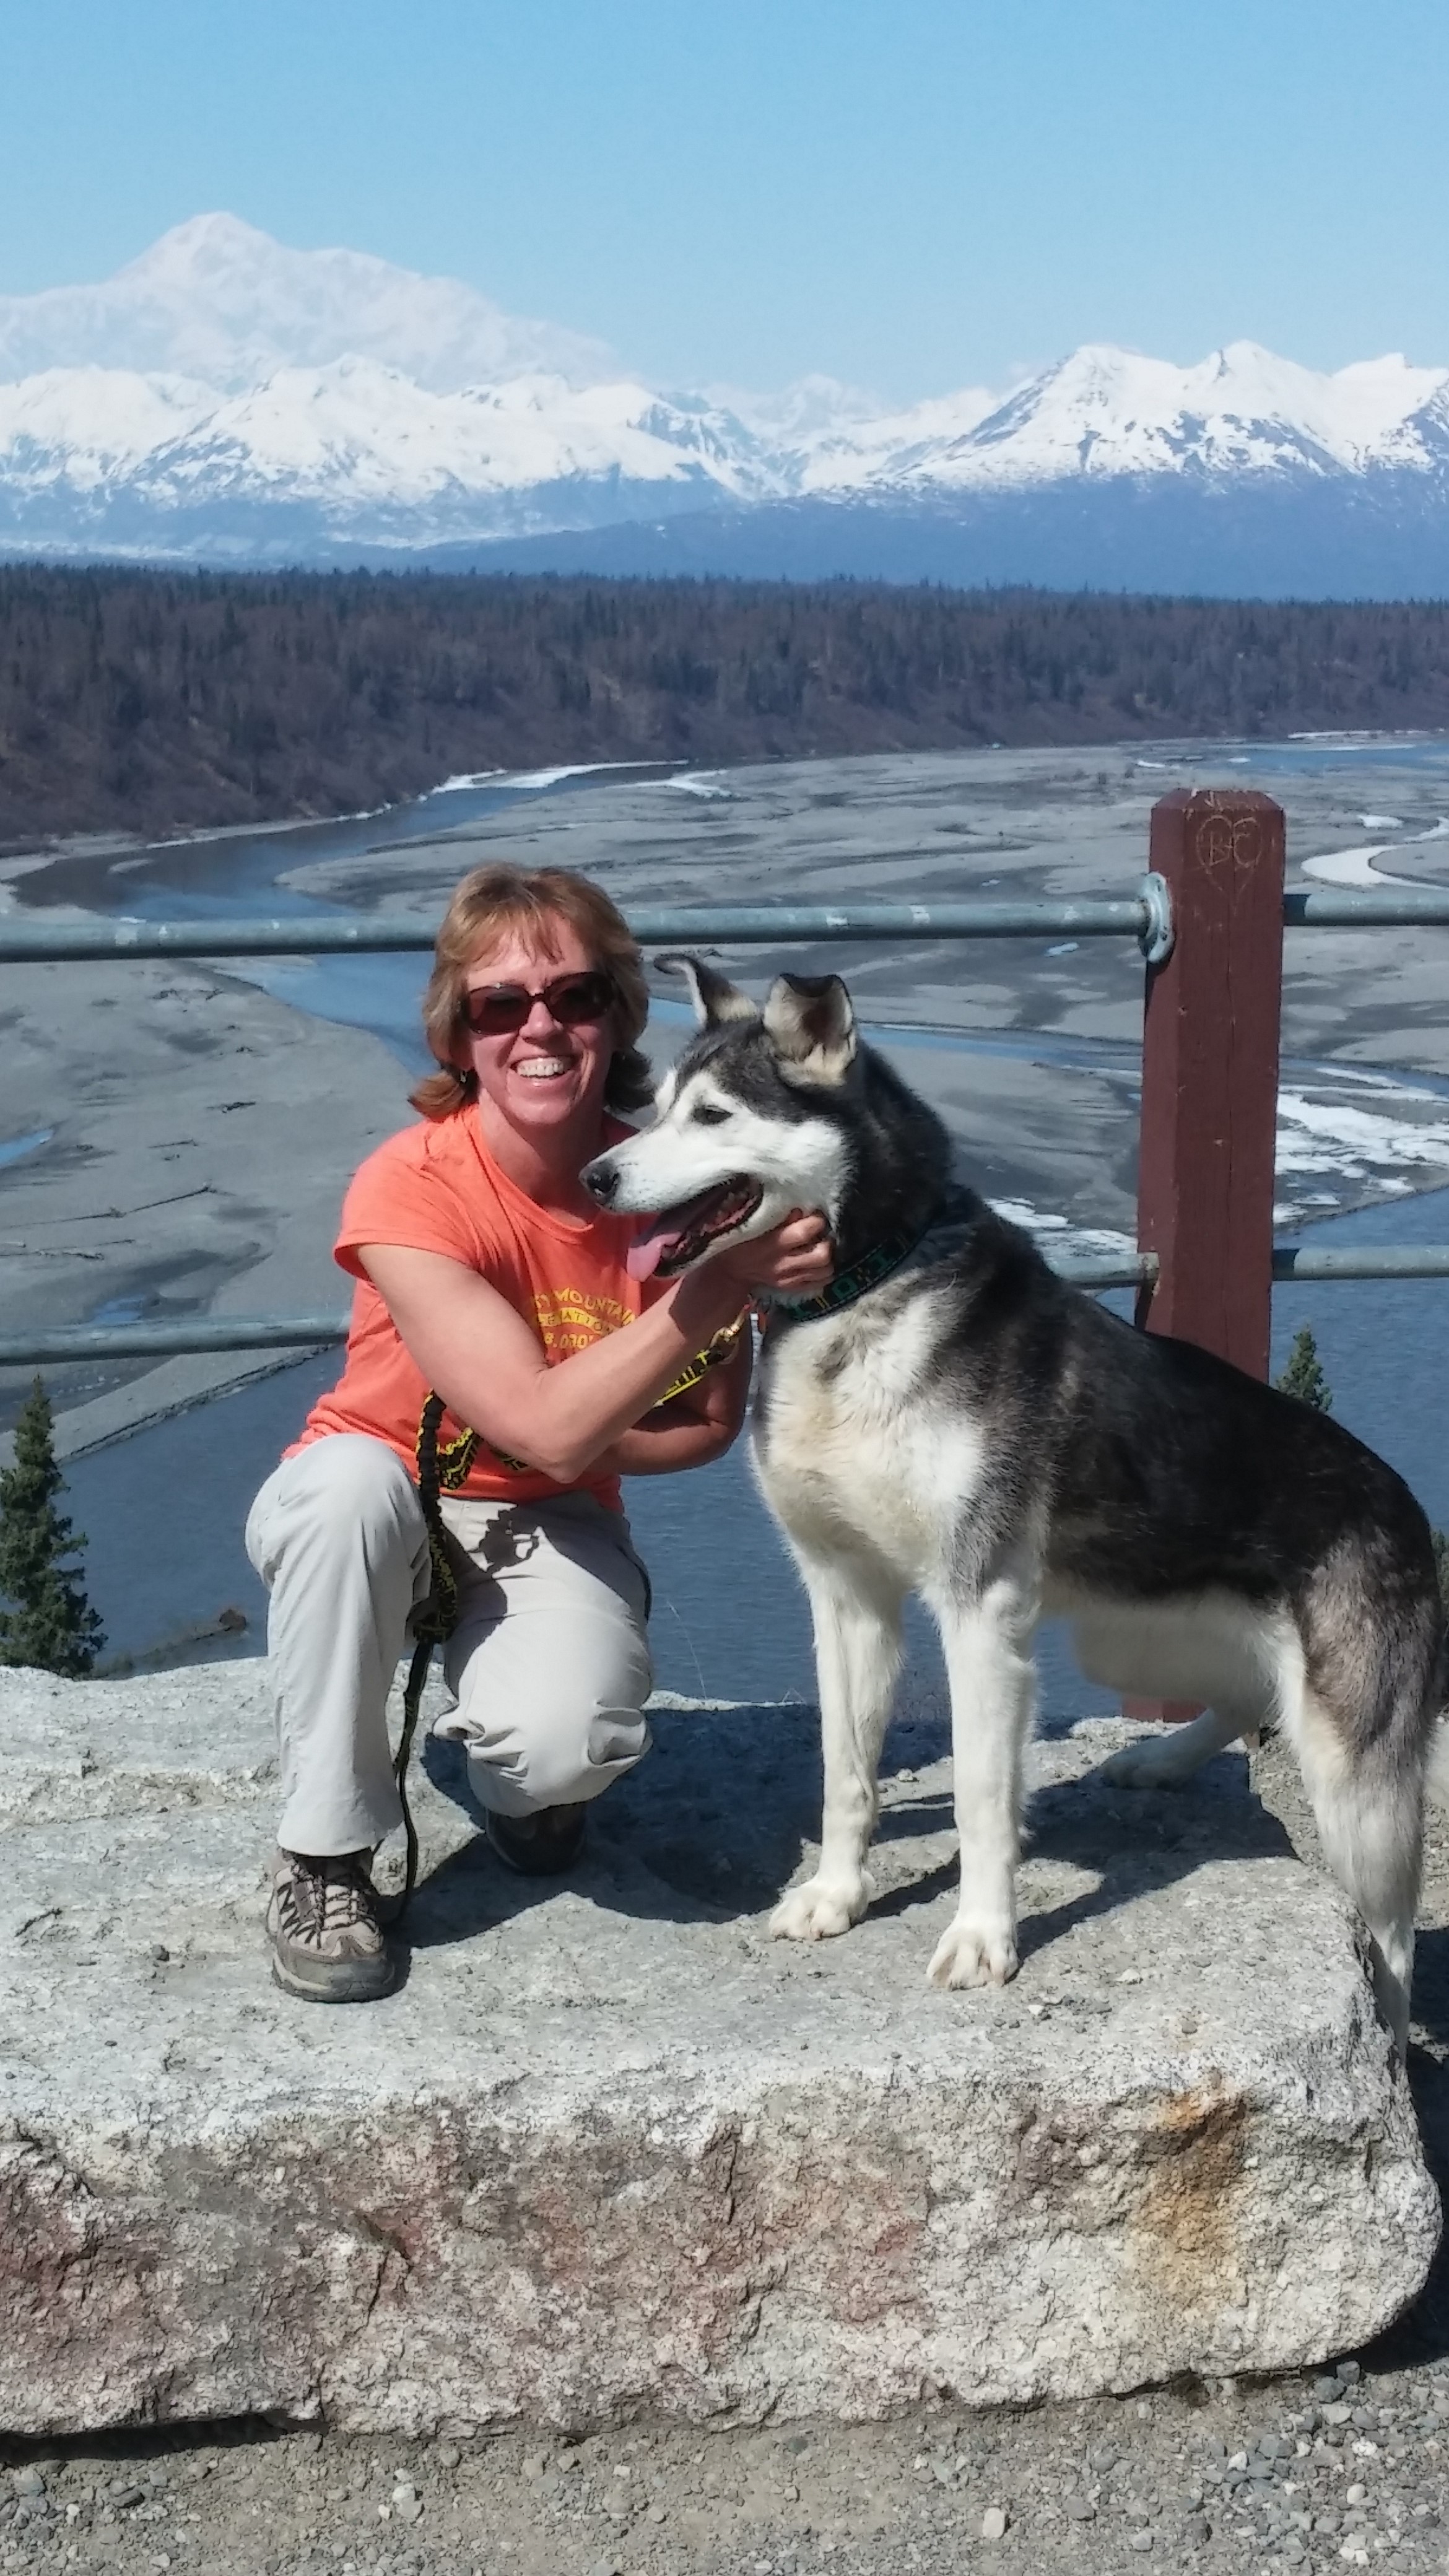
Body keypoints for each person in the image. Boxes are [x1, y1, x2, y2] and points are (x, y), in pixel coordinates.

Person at [245, 863, 832, 2003]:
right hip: (380, 1499)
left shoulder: (692, 1183)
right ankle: (323, 1855)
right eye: (500, 1006)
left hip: (550, 1517)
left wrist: (579, 1444)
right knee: (348, 1491)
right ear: (460, 1037)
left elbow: (707, 1427)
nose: (540, 1028)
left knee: (565, 1748)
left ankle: (522, 1782)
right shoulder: (412, 1184)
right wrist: (709, 1297)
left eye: (573, 997)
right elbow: (543, 1425)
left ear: (618, 1016)